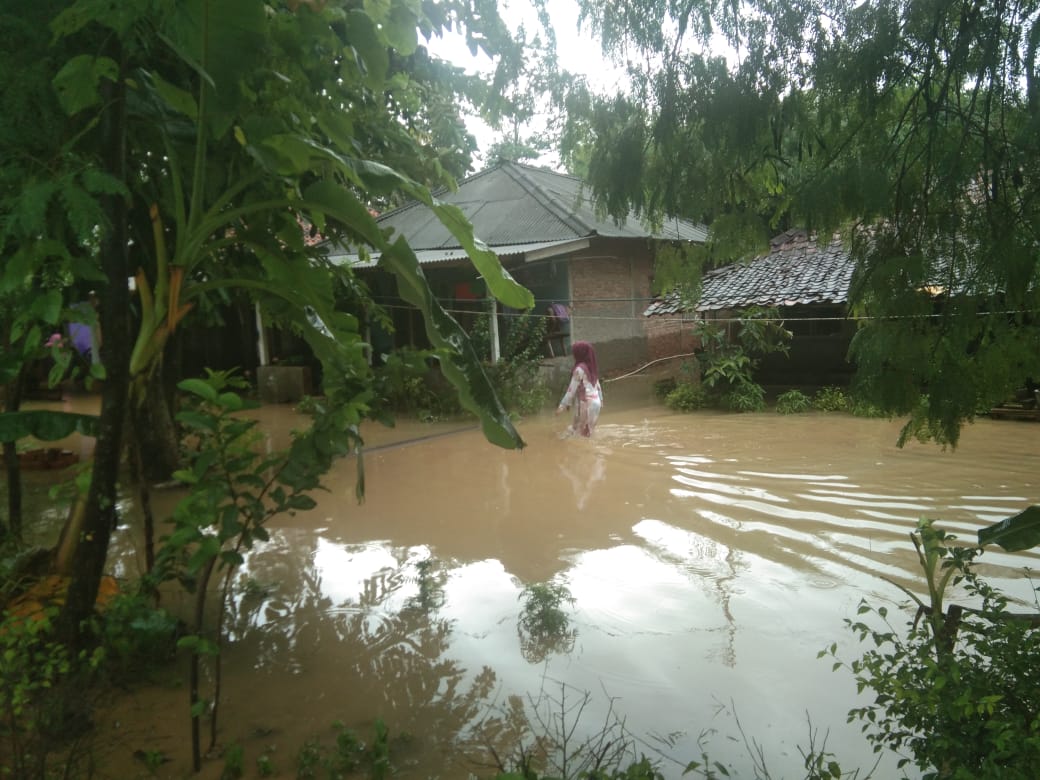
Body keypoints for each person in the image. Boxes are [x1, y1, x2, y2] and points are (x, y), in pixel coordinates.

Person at [555, 340, 603, 437]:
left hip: (585, 404)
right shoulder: (591, 367)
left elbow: (571, 390)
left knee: (579, 435)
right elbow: (598, 386)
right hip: (596, 403)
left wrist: (562, 406)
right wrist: (601, 400)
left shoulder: (579, 369)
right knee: (589, 433)